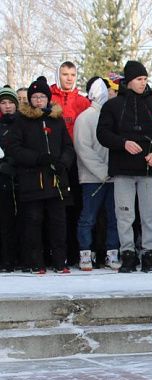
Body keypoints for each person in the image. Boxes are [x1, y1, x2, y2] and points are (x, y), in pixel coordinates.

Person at [97, 60, 152, 273]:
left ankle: (149, 253)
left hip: (149, 169)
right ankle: (127, 253)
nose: (143, 83)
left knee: (150, 215)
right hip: (123, 169)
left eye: (145, 79)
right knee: (124, 213)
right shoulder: (112, 106)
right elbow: (102, 133)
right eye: (139, 79)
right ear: (128, 81)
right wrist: (123, 143)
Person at [3, 76, 75, 274]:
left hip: (56, 180)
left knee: (58, 222)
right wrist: (37, 158)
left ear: (48, 99)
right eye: (35, 97)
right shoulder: (21, 121)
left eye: (42, 96)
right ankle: (36, 261)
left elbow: (68, 146)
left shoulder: (57, 120)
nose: (39, 100)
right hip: (32, 181)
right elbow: (14, 149)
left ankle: (60, 261)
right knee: (33, 223)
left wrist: (64, 161)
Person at [73, 77, 120, 271]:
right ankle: (85, 253)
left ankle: (111, 252)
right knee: (88, 217)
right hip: (92, 178)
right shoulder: (85, 118)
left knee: (114, 216)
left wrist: (114, 170)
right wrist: (103, 172)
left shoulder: (113, 116)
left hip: (113, 177)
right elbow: (83, 149)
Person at [51, 61, 92, 268]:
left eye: (72, 74)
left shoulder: (82, 102)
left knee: (77, 207)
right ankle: (56, 252)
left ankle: (76, 252)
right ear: (59, 75)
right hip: (55, 160)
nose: (68, 78)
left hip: (78, 159)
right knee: (58, 208)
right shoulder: (50, 98)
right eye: (65, 74)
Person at [0, 86, 18, 272]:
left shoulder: (23, 123)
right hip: (2, 178)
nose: (7, 106)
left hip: (21, 177)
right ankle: (6, 259)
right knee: (4, 222)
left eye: (10, 103)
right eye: (3, 103)